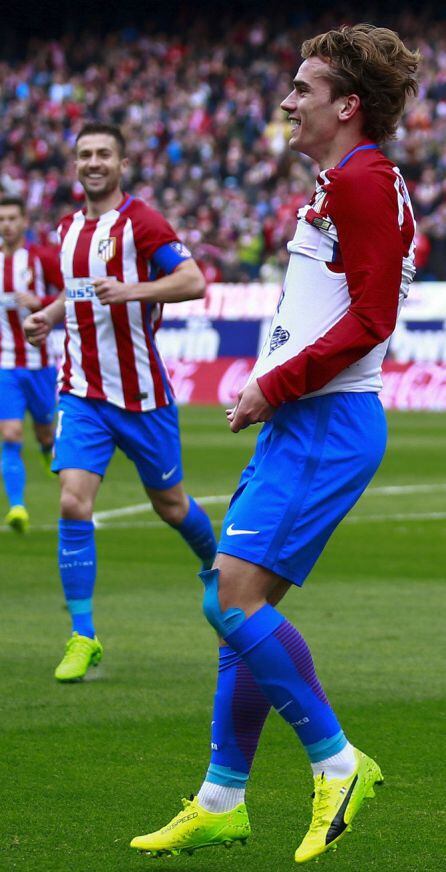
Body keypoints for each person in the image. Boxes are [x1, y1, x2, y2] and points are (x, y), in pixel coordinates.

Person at [130, 24, 420, 864]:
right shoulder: (357, 182)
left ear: (346, 105)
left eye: (303, 89)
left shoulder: (363, 184)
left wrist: (273, 383)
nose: (287, 102)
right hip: (312, 422)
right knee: (238, 609)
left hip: (324, 422)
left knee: (229, 600)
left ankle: (339, 764)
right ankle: (222, 801)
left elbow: (373, 320)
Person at [24, 122, 217, 682]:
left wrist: (133, 290)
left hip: (141, 398)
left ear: (120, 163)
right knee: (71, 502)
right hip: (81, 392)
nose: (93, 162)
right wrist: (49, 315)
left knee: (172, 505)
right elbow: (76, 290)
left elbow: (193, 280)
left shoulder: (143, 222)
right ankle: (83, 635)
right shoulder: (66, 230)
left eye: (103, 153)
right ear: (75, 163)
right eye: (84, 154)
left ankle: (216, 568)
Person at [0, 196, 63, 533]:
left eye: (12, 218)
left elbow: (71, 293)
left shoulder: (41, 258)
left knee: (44, 432)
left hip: (40, 364)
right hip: (5, 365)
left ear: (23, 221)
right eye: (1, 219)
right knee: (9, 434)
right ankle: (18, 508)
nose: (6, 224)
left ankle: (48, 453)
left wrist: (43, 302)